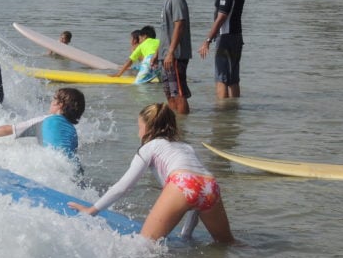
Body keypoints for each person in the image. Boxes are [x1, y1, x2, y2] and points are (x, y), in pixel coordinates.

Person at [69, 103, 234, 243]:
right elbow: (195, 197)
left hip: (182, 182)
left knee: (144, 246)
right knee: (227, 244)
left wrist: (92, 210)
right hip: (210, 185)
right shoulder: (186, 147)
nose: (138, 132)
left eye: (139, 127)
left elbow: (123, 187)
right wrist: (186, 236)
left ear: (148, 128)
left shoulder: (149, 147)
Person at [0, 87, 85, 159]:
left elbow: (8, 129)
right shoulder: (72, 130)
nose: (50, 102)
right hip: (69, 169)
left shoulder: (46, 120)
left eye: (53, 100)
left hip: (48, 165)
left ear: (59, 104)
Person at [147, 0, 192, 114]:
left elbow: (179, 25)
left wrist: (171, 52)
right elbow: (166, 32)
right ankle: (175, 126)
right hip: (166, 56)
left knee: (178, 93)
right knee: (170, 94)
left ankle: (184, 127)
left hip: (175, 56)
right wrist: (157, 53)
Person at [197, 0, 245, 99]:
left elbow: (222, 17)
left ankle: (221, 115)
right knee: (233, 78)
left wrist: (207, 40)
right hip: (236, 37)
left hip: (225, 38)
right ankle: (232, 112)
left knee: (221, 78)